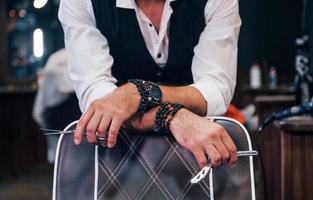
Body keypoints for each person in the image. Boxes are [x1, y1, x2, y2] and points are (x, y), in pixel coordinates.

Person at [58, 0, 241, 169]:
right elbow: (100, 100)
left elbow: (215, 90)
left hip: (199, 154)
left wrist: (138, 93)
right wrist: (170, 116)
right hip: (119, 158)